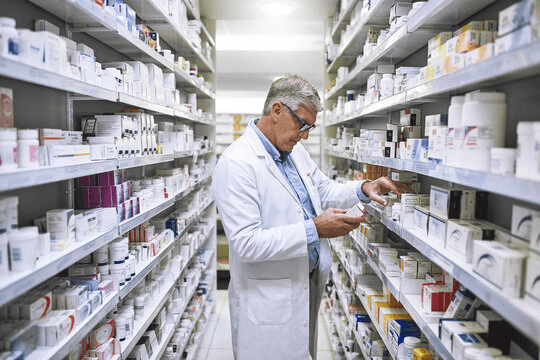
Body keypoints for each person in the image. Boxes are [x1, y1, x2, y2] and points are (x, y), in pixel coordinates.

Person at [212, 74, 411, 360]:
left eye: (310, 128)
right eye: (301, 124)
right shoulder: (237, 163)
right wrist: (314, 230)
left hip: (304, 285)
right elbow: (246, 243)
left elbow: (323, 189)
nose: (304, 134)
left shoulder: (293, 152)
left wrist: (363, 188)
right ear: (277, 110)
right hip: (267, 300)